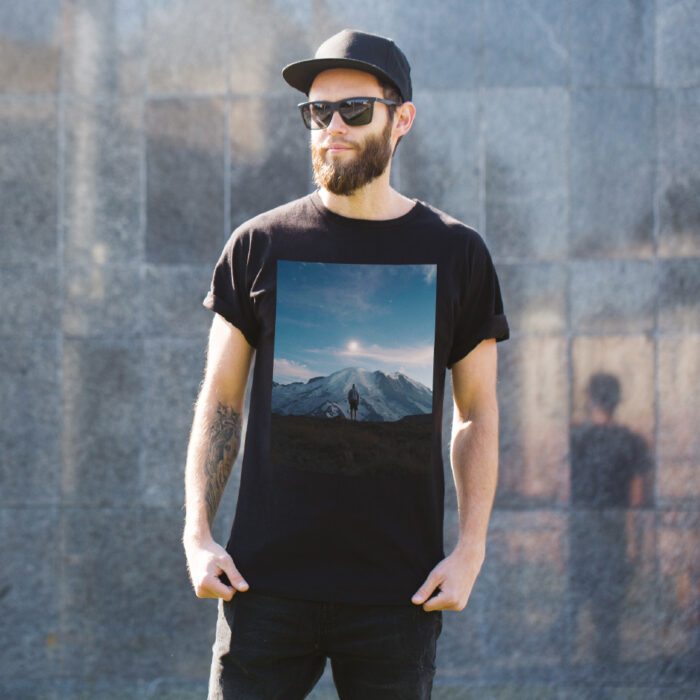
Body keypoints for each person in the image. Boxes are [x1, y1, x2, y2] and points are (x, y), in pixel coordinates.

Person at [183, 29, 509, 699]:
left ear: (402, 119)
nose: (331, 126)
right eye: (316, 112)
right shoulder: (257, 245)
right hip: (263, 587)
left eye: (353, 109)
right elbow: (220, 401)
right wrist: (197, 533)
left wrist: (470, 549)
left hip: (399, 593)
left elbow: (476, 414)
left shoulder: (459, 254)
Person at [566, 372, 651, 669]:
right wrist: (635, 547)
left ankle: (572, 677)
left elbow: (563, 493)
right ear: (617, 400)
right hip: (613, 537)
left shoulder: (576, 439)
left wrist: (559, 541)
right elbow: (637, 501)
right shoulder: (632, 442)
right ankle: (604, 678)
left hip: (580, 537)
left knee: (572, 611)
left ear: (589, 399)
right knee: (608, 618)